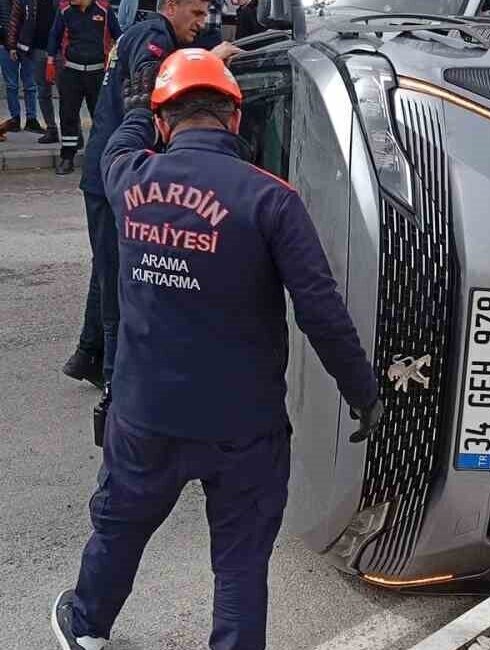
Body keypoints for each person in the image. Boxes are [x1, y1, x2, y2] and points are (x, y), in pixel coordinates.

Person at [51, 48, 383, 650]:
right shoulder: (272, 199)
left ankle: (87, 626)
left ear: (162, 123)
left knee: (120, 528)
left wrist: (136, 100)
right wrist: (363, 392)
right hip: (244, 428)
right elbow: (322, 313)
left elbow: (119, 142)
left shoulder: (131, 179)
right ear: (235, 120)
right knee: (239, 562)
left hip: (145, 415)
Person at [60, 0, 239, 393]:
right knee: (119, 276)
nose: (202, 21)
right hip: (117, 170)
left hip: (105, 169)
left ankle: (87, 354)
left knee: (106, 262)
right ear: (170, 6)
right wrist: (209, 60)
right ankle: (115, 382)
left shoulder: (139, 32)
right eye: (194, 13)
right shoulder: (155, 37)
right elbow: (152, 85)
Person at [46, 0, 121, 175]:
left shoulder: (104, 9)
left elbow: (119, 36)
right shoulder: (64, 10)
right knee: (68, 115)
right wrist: (50, 61)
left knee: (101, 117)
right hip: (72, 71)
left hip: (97, 73)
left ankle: (101, 157)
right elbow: (54, 35)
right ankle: (67, 157)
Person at [6, 0, 59, 142]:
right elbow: (15, 20)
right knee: (42, 91)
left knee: (68, 95)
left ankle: (73, 132)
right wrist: (11, 45)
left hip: (60, 51)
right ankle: (51, 128)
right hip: (36, 50)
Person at [0, 0, 42, 135]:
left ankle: (31, 119)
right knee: (12, 85)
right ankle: (15, 119)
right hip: (5, 45)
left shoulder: (29, 1)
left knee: (30, 85)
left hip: (27, 45)